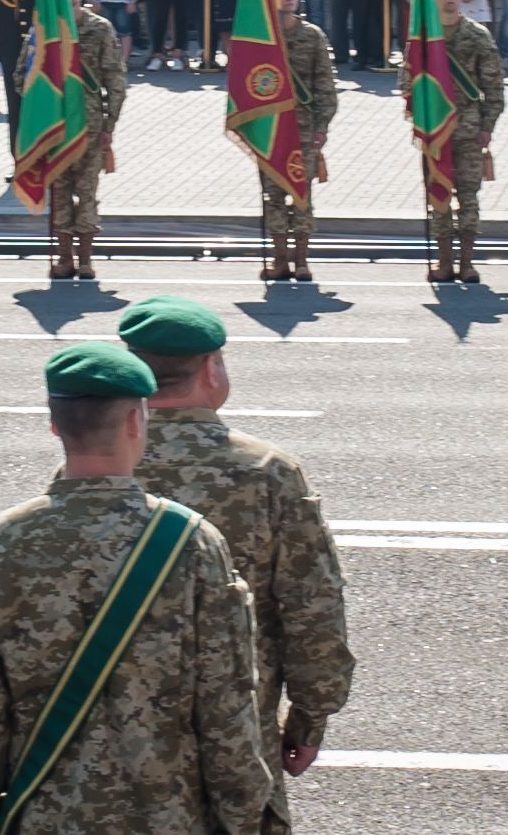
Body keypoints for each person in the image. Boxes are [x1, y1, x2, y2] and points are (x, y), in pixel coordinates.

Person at [0, 343, 271, 835]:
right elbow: (225, 701)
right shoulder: (191, 543)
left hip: (45, 812)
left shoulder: (5, 541)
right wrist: (243, 812)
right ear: (138, 422)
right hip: (167, 814)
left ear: (55, 426)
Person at [121, 298, 353, 832]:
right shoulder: (266, 472)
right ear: (212, 369)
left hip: (113, 728)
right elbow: (311, 606)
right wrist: (311, 715)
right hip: (237, 726)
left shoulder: (97, 461)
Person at [44, 0, 129, 282]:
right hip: (55, 127)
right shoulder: (45, 30)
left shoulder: (100, 28)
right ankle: (65, 259)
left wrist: (110, 125)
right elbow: (23, 76)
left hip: (90, 127)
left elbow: (115, 78)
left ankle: (86, 261)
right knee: (60, 195)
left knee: (87, 193)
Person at [431, 0, 506, 283]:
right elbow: (409, 84)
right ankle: (444, 261)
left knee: (468, 196)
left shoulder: (476, 35)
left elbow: (494, 87)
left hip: (469, 130)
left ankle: (467, 261)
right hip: (436, 133)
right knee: (438, 195)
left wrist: (487, 125)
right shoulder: (424, 39)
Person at [257, 6, 339, 283]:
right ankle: (280, 260)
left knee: (301, 193)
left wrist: (322, 125)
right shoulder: (260, 36)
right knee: (273, 196)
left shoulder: (312, 35)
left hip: (303, 127)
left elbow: (325, 82)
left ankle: (302, 261)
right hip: (269, 128)